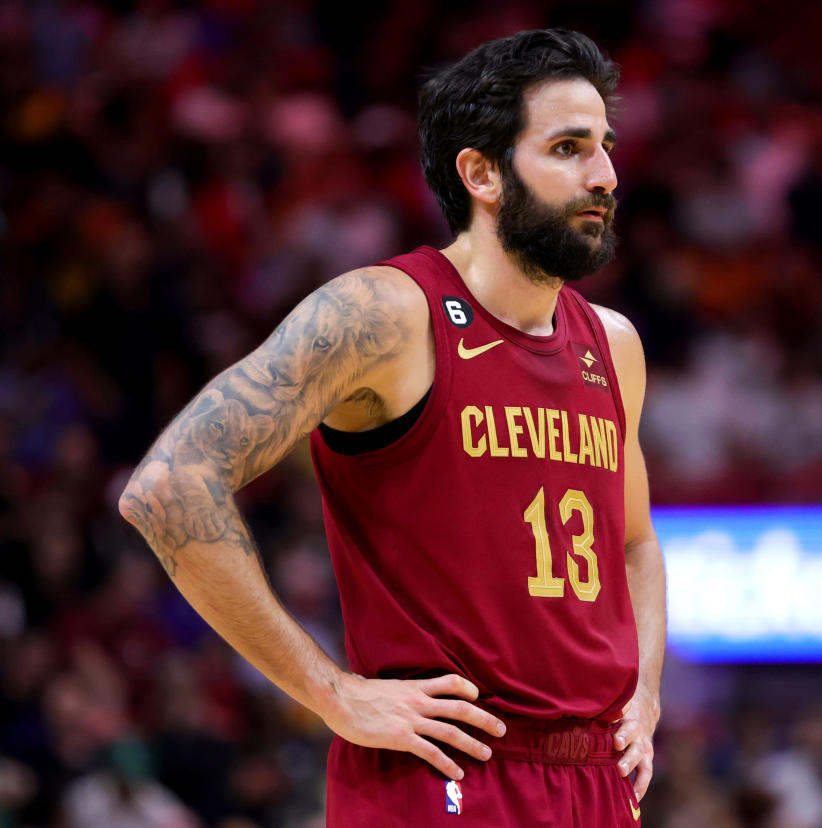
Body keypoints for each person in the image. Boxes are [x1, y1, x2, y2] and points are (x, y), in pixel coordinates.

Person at [118, 29, 665, 827]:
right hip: (444, 771)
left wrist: (644, 696)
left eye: (606, 146)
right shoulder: (384, 314)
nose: (606, 175)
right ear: (481, 172)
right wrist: (330, 692)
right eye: (569, 147)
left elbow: (635, 543)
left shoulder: (613, 346)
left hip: (592, 782)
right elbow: (170, 483)